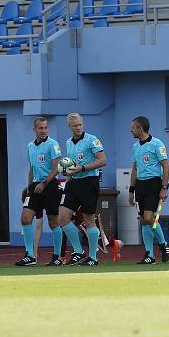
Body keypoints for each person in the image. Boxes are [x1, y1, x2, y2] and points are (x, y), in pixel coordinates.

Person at [58, 113, 107, 266]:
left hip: (89, 182)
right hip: (73, 182)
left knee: (88, 220)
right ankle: (78, 252)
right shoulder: (68, 142)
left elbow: (102, 160)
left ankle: (93, 257)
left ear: (83, 124)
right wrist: (68, 175)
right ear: (69, 127)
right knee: (62, 217)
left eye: (80, 124)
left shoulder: (92, 140)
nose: (78, 127)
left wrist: (82, 168)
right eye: (75, 125)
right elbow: (71, 164)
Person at [15, 117, 64, 266]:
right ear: (34, 130)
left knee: (53, 222)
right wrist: (29, 186)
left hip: (49, 185)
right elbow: (32, 168)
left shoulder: (53, 144)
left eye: (45, 128)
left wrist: (44, 183)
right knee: (25, 218)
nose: (43, 131)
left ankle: (57, 257)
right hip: (35, 186)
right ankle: (30, 256)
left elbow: (57, 167)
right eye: (40, 128)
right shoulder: (30, 146)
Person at [129, 116, 169, 264]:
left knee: (148, 217)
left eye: (133, 127)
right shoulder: (135, 147)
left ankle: (164, 243)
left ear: (140, 128)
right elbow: (134, 169)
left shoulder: (157, 144)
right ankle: (150, 255)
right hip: (140, 184)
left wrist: (164, 187)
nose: (131, 130)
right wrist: (131, 190)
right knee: (143, 220)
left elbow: (165, 165)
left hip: (154, 183)